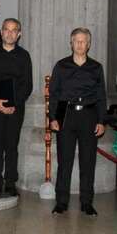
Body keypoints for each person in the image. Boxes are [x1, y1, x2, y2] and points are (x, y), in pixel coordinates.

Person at [49, 27, 106, 216]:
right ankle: (61, 202)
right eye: (77, 41)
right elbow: (54, 94)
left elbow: (101, 96)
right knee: (64, 161)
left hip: (89, 116)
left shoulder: (96, 67)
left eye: (84, 41)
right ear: (71, 43)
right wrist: (53, 118)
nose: (80, 44)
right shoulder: (61, 66)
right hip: (66, 115)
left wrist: (101, 121)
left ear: (88, 44)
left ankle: (87, 202)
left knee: (88, 161)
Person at [0, 18, 33, 197]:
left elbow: (27, 85)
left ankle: (11, 183)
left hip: (16, 108)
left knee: (12, 146)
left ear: (19, 34)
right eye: (7, 29)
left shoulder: (24, 56)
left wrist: (13, 104)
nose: (10, 33)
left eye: (14, 30)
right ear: (1, 32)